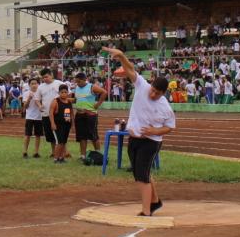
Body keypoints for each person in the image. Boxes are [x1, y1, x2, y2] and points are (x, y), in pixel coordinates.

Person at [102, 47, 175, 217]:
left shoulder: (165, 107)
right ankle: (155, 202)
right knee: (140, 173)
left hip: (151, 142)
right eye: (153, 89)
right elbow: (130, 69)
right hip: (134, 138)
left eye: (157, 93)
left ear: (163, 93)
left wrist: (154, 130)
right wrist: (121, 56)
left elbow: (170, 127)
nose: (153, 93)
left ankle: (146, 211)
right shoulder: (143, 85)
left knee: (142, 176)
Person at [73, 72, 108, 160]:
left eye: (79, 81)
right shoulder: (77, 88)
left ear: (85, 80)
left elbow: (104, 92)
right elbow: (76, 99)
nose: (78, 83)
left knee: (93, 135)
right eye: (76, 82)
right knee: (82, 136)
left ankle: (99, 155)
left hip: (90, 115)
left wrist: (98, 104)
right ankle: (83, 156)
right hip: (79, 114)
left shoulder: (92, 87)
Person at [37, 68, 66, 158]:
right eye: (43, 78)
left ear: (51, 75)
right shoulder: (41, 87)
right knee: (50, 135)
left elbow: (67, 96)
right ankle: (54, 152)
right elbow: (37, 99)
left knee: (61, 134)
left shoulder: (60, 84)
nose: (45, 79)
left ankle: (63, 153)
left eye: (46, 77)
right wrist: (39, 105)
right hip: (46, 114)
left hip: (58, 114)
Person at [48, 84, 74, 163]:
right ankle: (56, 158)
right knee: (59, 142)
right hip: (58, 125)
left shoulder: (69, 102)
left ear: (67, 93)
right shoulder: (55, 101)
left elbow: (71, 114)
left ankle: (62, 158)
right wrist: (52, 123)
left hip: (67, 125)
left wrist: (73, 125)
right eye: (62, 92)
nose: (63, 94)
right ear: (59, 93)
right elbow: (51, 113)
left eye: (65, 92)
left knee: (64, 142)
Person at [22, 78, 43, 158]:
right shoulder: (26, 93)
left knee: (38, 135)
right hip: (29, 117)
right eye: (32, 84)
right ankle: (25, 151)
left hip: (39, 117)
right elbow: (25, 107)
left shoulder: (41, 93)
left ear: (38, 84)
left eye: (35, 83)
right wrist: (29, 98)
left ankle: (36, 152)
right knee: (27, 135)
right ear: (29, 85)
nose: (34, 85)